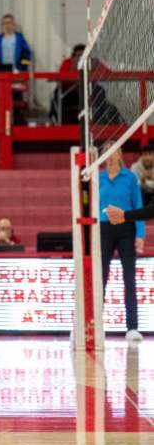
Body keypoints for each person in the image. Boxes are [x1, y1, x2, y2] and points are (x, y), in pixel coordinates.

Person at [99, 144, 145, 343]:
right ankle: (96, 325)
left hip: (126, 229)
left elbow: (139, 206)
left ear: (119, 154)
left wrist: (140, 234)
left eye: (114, 151)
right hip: (103, 229)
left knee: (129, 278)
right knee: (100, 278)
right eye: (106, 152)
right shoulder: (96, 178)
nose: (110, 156)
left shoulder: (130, 178)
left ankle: (132, 327)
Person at [49, 44, 85, 125]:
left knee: (100, 91)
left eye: (82, 55)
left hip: (86, 91)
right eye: (78, 55)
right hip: (69, 92)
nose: (80, 58)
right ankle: (62, 124)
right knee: (58, 94)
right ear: (73, 55)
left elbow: (105, 72)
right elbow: (61, 76)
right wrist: (73, 68)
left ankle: (99, 123)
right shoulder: (67, 62)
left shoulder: (91, 62)